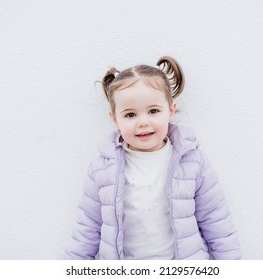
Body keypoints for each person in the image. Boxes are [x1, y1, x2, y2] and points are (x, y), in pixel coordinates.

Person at [64, 56, 241, 260]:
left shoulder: (191, 161)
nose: (143, 122)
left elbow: (217, 222)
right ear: (114, 118)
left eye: (154, 111)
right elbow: (86, 229)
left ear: (171, 111)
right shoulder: (102, 169)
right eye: (130, 115)